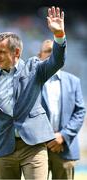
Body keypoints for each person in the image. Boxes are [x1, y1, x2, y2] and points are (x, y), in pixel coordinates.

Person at [0, 7, 66, 180]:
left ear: (17, 53)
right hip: (3, 149)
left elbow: (56, 61)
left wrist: (59, 36)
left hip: (33, 147)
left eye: (2, 52)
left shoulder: (35, 68)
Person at [38, 39, 86, 179]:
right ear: (39, 55)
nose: (52, 54)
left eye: (55, 51)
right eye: (47, 51)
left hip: (65, 148)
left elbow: (80, 112)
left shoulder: (74, 81)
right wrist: (47, 139)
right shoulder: (31, 82)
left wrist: (63, 136)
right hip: (38, 149)